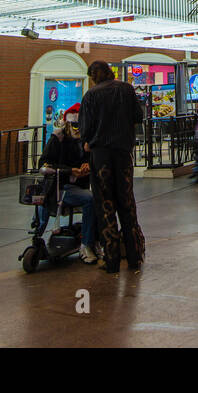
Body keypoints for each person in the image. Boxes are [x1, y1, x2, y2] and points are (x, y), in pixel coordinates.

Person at [79, 60, 145, 274]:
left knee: (105, 206)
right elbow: (138, 117)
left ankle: (112, 259)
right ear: (110, 72)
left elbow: (85, 130)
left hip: (101, 157)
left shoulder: (90, 96)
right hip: (123, 154)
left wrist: (89, 140)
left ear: (93, 76)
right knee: (127, 203)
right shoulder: (126, 89)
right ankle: (134, 256)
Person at [36, 105, 98, 264]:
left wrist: (88, 165)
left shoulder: (85, 141)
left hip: (79, 186)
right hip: (60, 188)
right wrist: (70, 171)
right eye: (74, 126)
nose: (77, 130)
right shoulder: (57, 140)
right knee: (90, 199)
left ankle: (90, 241)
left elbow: (90, 159)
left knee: (94, 198)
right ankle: (87, 244)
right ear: (67, 124)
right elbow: (44, 164)